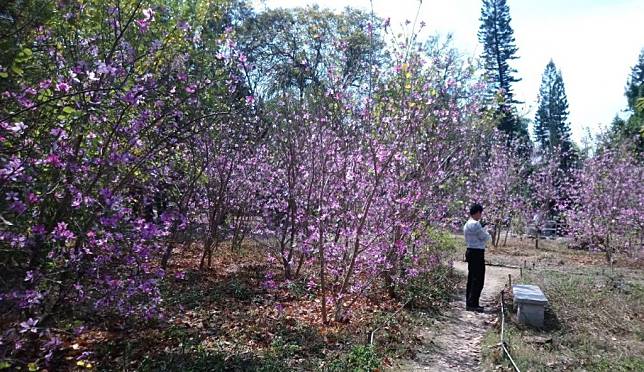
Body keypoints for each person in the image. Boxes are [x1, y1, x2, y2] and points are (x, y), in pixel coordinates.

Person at [463, 203, 491, 312]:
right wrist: (487, 231)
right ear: (478, 212)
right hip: (477, 253)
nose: (481, 215)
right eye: (480, 213)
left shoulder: (467, 224)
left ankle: (469, 302)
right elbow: (485, 237)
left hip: (470, 251)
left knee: (471, 278)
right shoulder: (475, 224)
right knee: (478, 279)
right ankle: (473, 303)